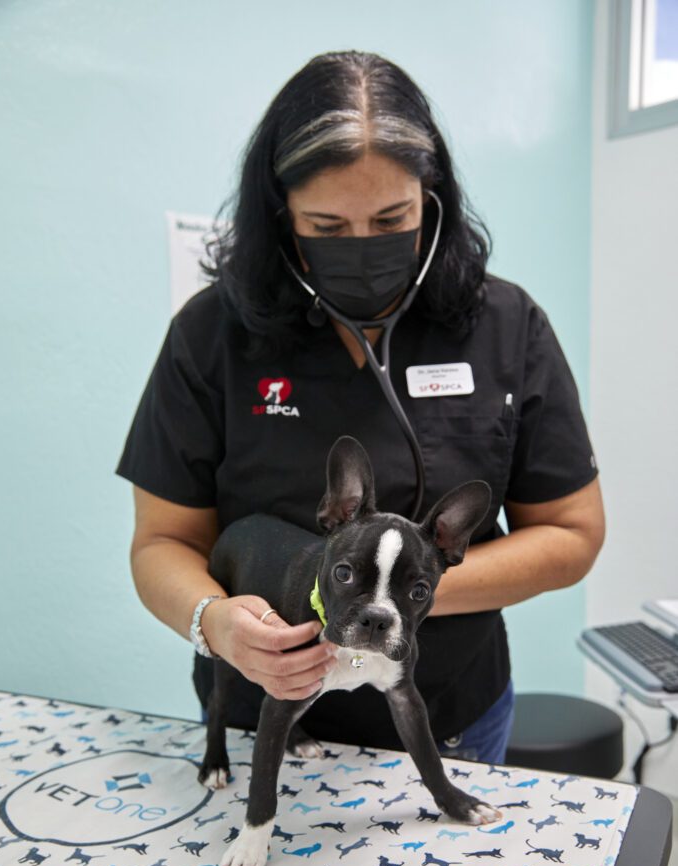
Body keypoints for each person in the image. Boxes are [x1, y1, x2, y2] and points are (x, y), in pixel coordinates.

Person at [115, 51, 605, 765]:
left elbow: (571, 533)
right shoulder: (212, 334)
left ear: (430, 196)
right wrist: (213, 622)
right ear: (281, 217)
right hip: (267, 720)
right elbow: (163, 542)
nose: (363, 246)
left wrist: (392, 595)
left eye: (389, 217)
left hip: (447, 716)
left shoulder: (506, 324)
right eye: (328, 226)